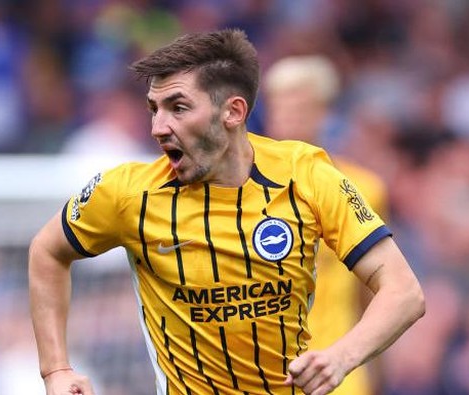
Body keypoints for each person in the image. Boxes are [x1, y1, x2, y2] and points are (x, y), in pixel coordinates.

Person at [28, 28, 425, 395]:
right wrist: (56, 370)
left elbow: (403, 291)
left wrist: (343, 356)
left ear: (233, 112)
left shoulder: (310, 176)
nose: (158, 127)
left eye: (178, 108)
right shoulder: (128, 193)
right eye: (154, 109)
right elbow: (47, 251)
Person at [263, 54, 389, 395]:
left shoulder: (363, 188)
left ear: (324, 112)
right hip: (268, 373)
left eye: (299, 108)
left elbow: (378, 288)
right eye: (279, 108)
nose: (286, 120)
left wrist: (373, 366)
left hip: (340, 373)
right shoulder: (246, 192)